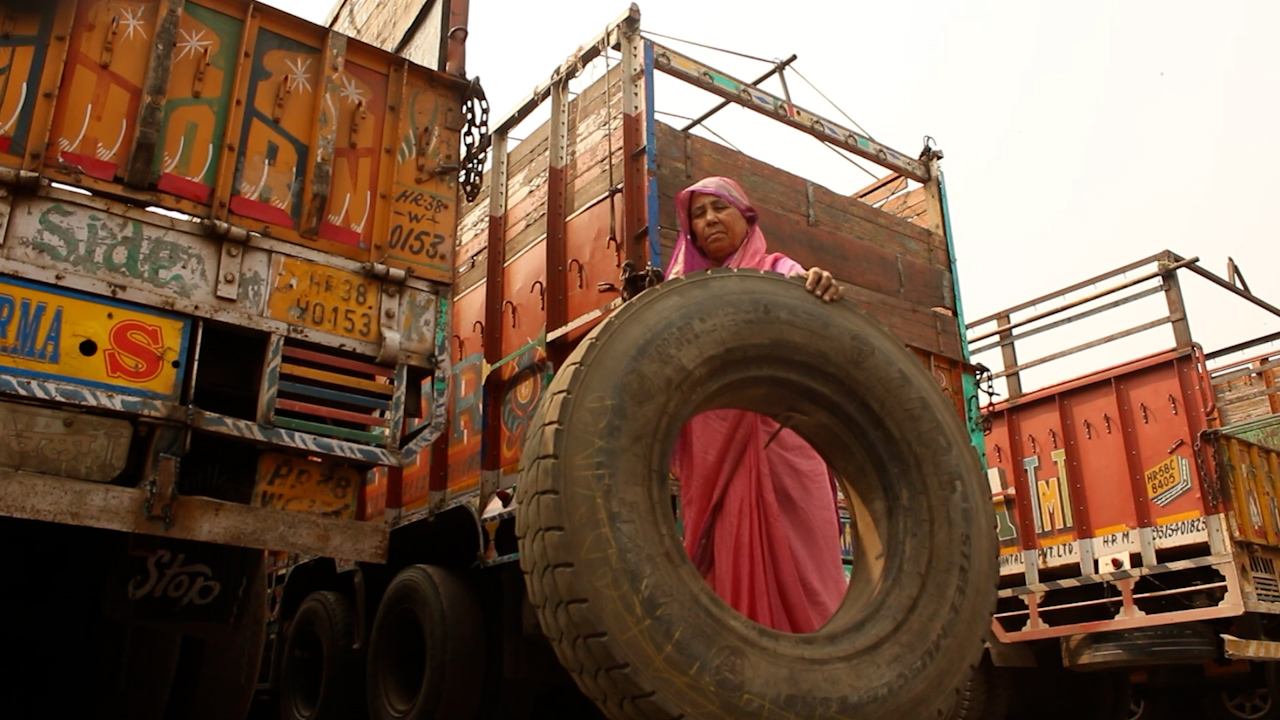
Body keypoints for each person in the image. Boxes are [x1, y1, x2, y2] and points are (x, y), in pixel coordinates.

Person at [666, 176, 848, 633]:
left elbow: (809, 294)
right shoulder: (684, 296)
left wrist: (819, 285)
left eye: (719, 208)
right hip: (714, 462)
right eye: (698, 215)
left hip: (783, 447)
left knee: (809, 570)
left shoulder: (778, 269)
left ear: (746, 218)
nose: (709, 220)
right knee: (725, 567)